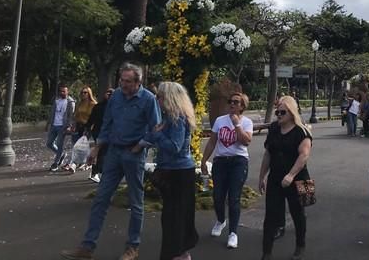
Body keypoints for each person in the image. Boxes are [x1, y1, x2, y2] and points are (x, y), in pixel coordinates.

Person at [61, 63, 161, 260]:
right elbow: (106, 124)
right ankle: (87, 247)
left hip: (134, 155)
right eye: (121, 80)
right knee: (101, 199)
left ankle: (132, 247)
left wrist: (141, 145)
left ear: (138, 82)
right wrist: (96, 148)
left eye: (127, 81)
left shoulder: (149, 99)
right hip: (114, 153)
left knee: (136, 202)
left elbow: (155, 128)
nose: (123, 84)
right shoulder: (115, 96)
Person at [143, 82, 199, 260]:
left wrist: (157, 133)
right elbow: (153, 136)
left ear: (169, 98)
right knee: (175, 217)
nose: (157, 99)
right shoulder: (169, 117)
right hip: (175, 171)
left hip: (178, 173)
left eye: (159, 96)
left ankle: (176, 254)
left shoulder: (177, 118)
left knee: (174, 218)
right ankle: (181, 253)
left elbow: (174, 146)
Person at [259, 96, 312, 260]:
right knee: (271, 216)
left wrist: (291, 175)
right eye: (277, 112)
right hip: (276, 178)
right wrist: (262, 177)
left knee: (298, 213)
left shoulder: (301, 131)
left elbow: (304, 156)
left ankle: (300, 246)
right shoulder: (274, 128)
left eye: (282, 112)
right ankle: (266, 253)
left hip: (298, 178)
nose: (279, 115)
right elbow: (268, 154)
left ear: (291, 113)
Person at [200, 92, 254, 249]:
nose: (232, 104)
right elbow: (212, 142)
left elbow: (246, 142)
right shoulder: (220, 121)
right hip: (221, 162)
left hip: (239, 162)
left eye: (236, 102)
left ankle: (233, 233)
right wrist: (204, 161)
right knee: (218, 196)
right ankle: (221, 220)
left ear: (242, 106)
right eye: (230, 101)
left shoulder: (247, 122)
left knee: (234, 198)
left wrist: (237, 125)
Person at [65, 86, 98, 172]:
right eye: (82, 92)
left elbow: (95, 117)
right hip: (78, 126)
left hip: (87, 127)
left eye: (85, 92)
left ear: (89, 93)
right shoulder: (80, 103)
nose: (83, 94)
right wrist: (73, 125)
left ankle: (74, 164)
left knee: (79, 146)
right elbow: (76, 115)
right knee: (76, 145)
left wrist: (91, 127)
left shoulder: (93, 104)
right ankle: (84, 162)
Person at [85, 88, 113, 183]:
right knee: (102, 152)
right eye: (107, 93)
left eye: (111, 93)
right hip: (99, 132)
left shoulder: (115, 106)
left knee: (103, 152)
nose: (108, 95)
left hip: (109, 132)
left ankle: (97, 171)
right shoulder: (99, 106)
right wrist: (87, 128)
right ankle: (96, 172)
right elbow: (92, 118)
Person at [45, 85, 75, 172]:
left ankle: (56, 163)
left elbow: (71, 115)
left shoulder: (70, 102)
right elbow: (52, 113)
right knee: (49, 143)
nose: (62, 93)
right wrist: (48, 123)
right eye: (60, 91)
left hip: (63, 126)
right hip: (54, 125)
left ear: (67, 92)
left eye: (64, 91)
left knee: (59, 144)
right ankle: (61, 154)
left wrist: (69, 126)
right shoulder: (57, 101)